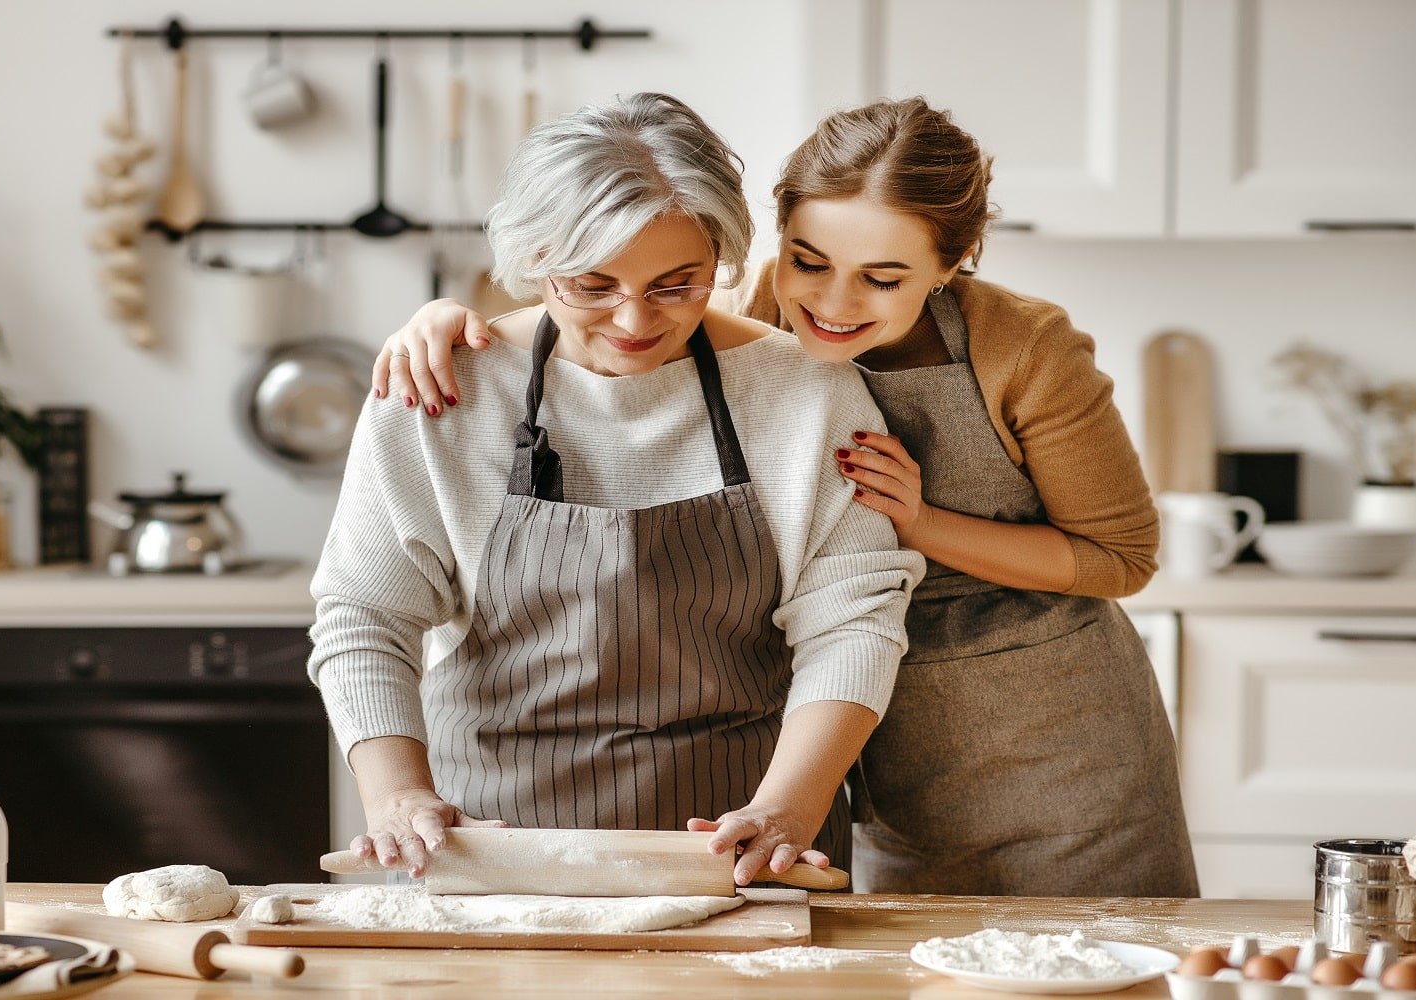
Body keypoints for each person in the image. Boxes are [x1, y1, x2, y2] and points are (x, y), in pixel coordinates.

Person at [368, 96, 1199, 897]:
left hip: (1048, 733)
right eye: (809, 261)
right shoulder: (744, 317)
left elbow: (1118, 558)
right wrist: (445, 322)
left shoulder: (1021, 348)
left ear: (953, 264)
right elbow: (610, 304)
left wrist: (917, 522)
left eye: (883, 278)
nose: (832, 306)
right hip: (874, 738)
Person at [308, 92, 923, 887]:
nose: (635, 320)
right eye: (591, 285)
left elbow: (854, 621)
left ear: (722, 261)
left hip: (741, 853)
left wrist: (788, 808)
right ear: (535, 263)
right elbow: (365, 614)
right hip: (490, 853)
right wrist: (395, 797)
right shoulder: (441, 390)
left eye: (677, 284)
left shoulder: (806, 394)